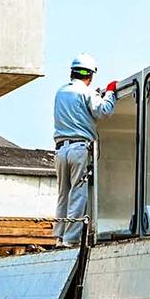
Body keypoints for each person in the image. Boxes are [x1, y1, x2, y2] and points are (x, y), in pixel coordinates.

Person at [53, 53, 117, 245]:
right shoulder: (87, 92)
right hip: (79, 148)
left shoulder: (61, 92)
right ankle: (70, 240)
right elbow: (103, 111)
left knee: (63, 194)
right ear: (90, 75)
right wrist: (110, 93)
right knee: (78, 194)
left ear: (72, 72)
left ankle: (59, 236)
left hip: (60, 150)